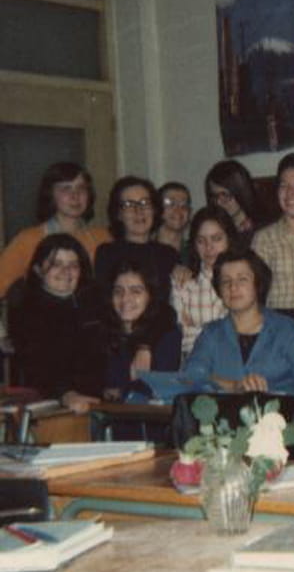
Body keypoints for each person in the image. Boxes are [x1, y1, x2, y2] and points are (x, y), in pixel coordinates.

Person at [183, 248, 294, 401]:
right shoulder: (211, 334)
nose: (233, 287)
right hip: (222, 415)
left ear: (258, 284)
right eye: (226, 281)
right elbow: (190, 377)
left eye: (242, 279)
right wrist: (234, 386)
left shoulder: (290, 332)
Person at [9, 234, 105, 413]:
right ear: (38, 269)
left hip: (97, 400)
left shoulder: (94, 303)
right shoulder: (26, 310)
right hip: (49, 404)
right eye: (56, 264)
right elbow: (36, 364)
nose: (66, 271)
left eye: (73, 265)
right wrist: (65, 394)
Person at [0, 161, 110, 299]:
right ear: (50, 194)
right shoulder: (28, 240)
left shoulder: (103, 238)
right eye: (66, 189)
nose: (75, 196)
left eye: (81, 188)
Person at [103, 260, 182, 402]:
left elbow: (157, 388)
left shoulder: (167, 336)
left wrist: (120, 393)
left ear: (150, 296)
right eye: (118, 291)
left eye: (136, 291)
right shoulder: (103, 333)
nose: (125, 299)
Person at [251, 153, 294, 319]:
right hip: (278, 320)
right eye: (283, 185)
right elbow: (254, 291)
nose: (290, 192)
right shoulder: (264, 238)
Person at [94, 176, 179, 303]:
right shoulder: (107, 253)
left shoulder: (168, 254)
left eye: (144, 203)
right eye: (128, 204)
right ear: (118, 214)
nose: (138, 211)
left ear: (154, 210)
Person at [171, 206, 238, 359]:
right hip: (194, 364)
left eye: (216, 239)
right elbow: (181, 340)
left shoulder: (244, 280)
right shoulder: (182, 284)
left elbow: (243, 332)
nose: (209, 247)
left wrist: (196, 329)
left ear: (229, 239)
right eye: (201, 241)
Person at [204, 159, 263, 247]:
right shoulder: (213, 228)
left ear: (241, 192)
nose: (219, 202)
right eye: (215, 196)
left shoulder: (262, 232)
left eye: (225, 195)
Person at [156, 182, 192, 262]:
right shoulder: (147, 251)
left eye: (184, 205)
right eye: (171, 204)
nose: (178, 210)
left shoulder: (194, 253)